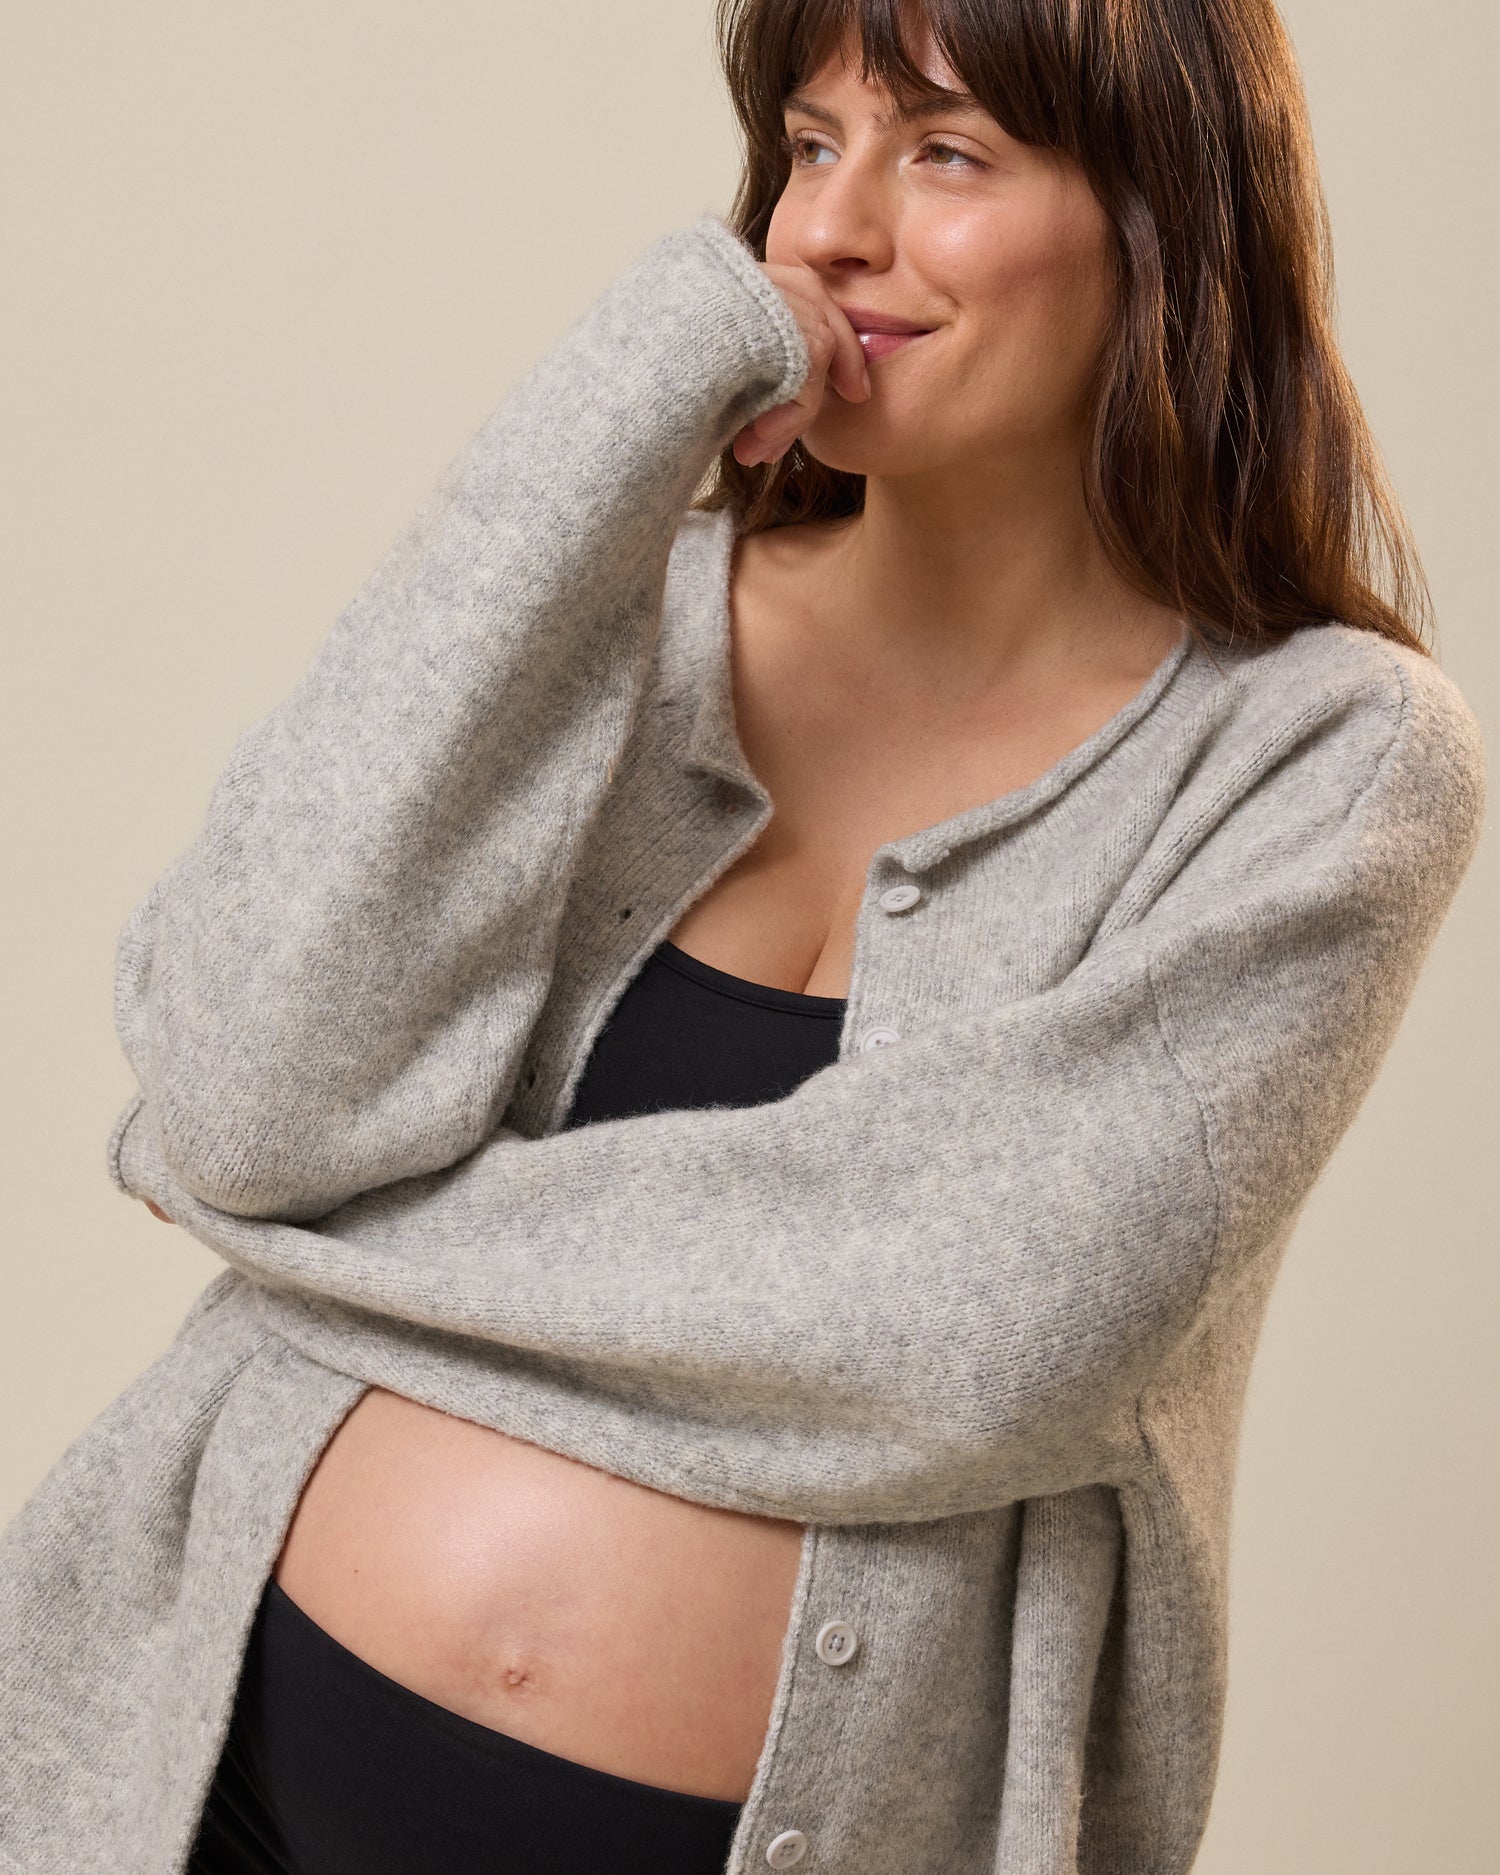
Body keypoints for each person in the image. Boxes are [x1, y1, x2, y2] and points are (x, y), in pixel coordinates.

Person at [1, 4, 1484, 1874]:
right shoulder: (619, 623)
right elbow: (248, 1089)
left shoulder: (1321, 763)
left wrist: (329, 1242)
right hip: (174, 1777)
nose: (830, 229)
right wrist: (621, 406)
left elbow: (975, 1330)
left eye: (943, 152)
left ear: (1167, 222)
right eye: (805, 145)